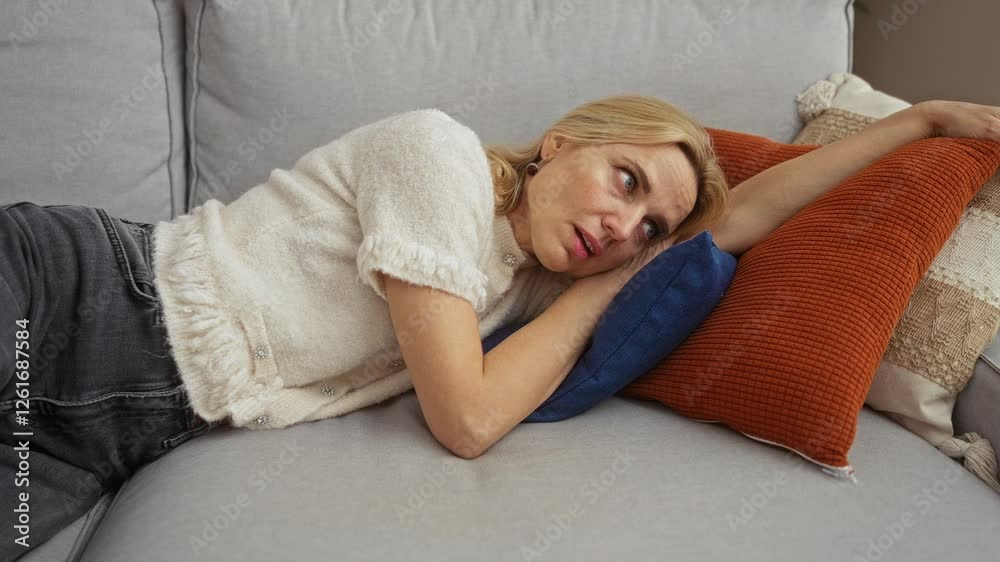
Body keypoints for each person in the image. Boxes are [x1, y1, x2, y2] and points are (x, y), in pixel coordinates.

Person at [2, 94, 999, 559]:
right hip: (75, 295)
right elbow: (467, 418)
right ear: (564, 142)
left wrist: (915, 128)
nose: (624, 225)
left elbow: (735, 223)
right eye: (626, 180)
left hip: (119, 431)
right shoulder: (434, 158)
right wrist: (599, 292)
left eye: (645, 229)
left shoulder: (521, 295)